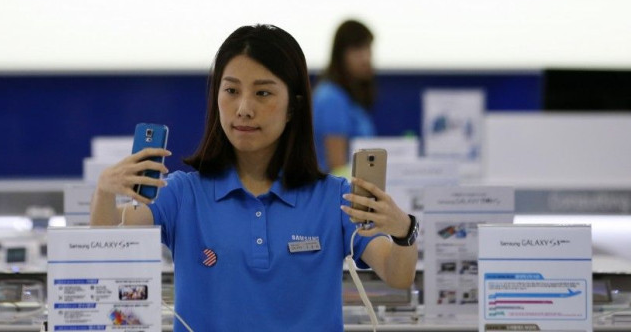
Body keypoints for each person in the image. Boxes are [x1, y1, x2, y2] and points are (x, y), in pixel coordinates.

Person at [90, 24, 417, 331]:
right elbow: (105, 245)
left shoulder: (335, 197)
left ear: (293, 107)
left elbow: (396, 274)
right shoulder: (182, 194)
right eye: (231, 90)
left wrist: (403, 231)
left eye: (263, 93)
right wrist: (104, 192)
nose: (244, 108)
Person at [313, 19, 377, 174]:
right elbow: (338, 168)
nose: (365, 58)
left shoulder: (348, 96)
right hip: (340, 195)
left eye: (368, 49)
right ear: (340, 53)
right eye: (358, 50)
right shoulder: (331, 98)